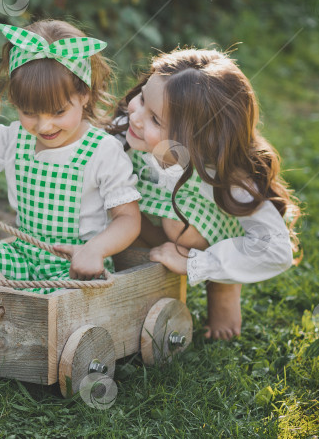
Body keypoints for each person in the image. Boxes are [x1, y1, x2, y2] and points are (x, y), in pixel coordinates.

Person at [0, 20, 142, 293]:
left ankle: (14, 306)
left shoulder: (102, 150)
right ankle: (8, 303)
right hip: (21, 259)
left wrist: (94, 250)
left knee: (67, 296)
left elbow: (128, 219)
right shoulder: (12, 138)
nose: (44, 127)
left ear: (84, 95)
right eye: (29, 112)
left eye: (58, 112)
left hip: (74, 267)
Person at [108, 48, 301, 339]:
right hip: (152, 221)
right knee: (119, 208)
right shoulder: (128, 127)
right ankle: (152, 276)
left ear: (199, 138)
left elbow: (276, 249)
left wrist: (198, 264)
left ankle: (222, 283)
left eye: (156, 120)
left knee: (179, 225)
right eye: (143, 98)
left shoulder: (225, 175)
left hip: (200, 231)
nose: (135, 117)